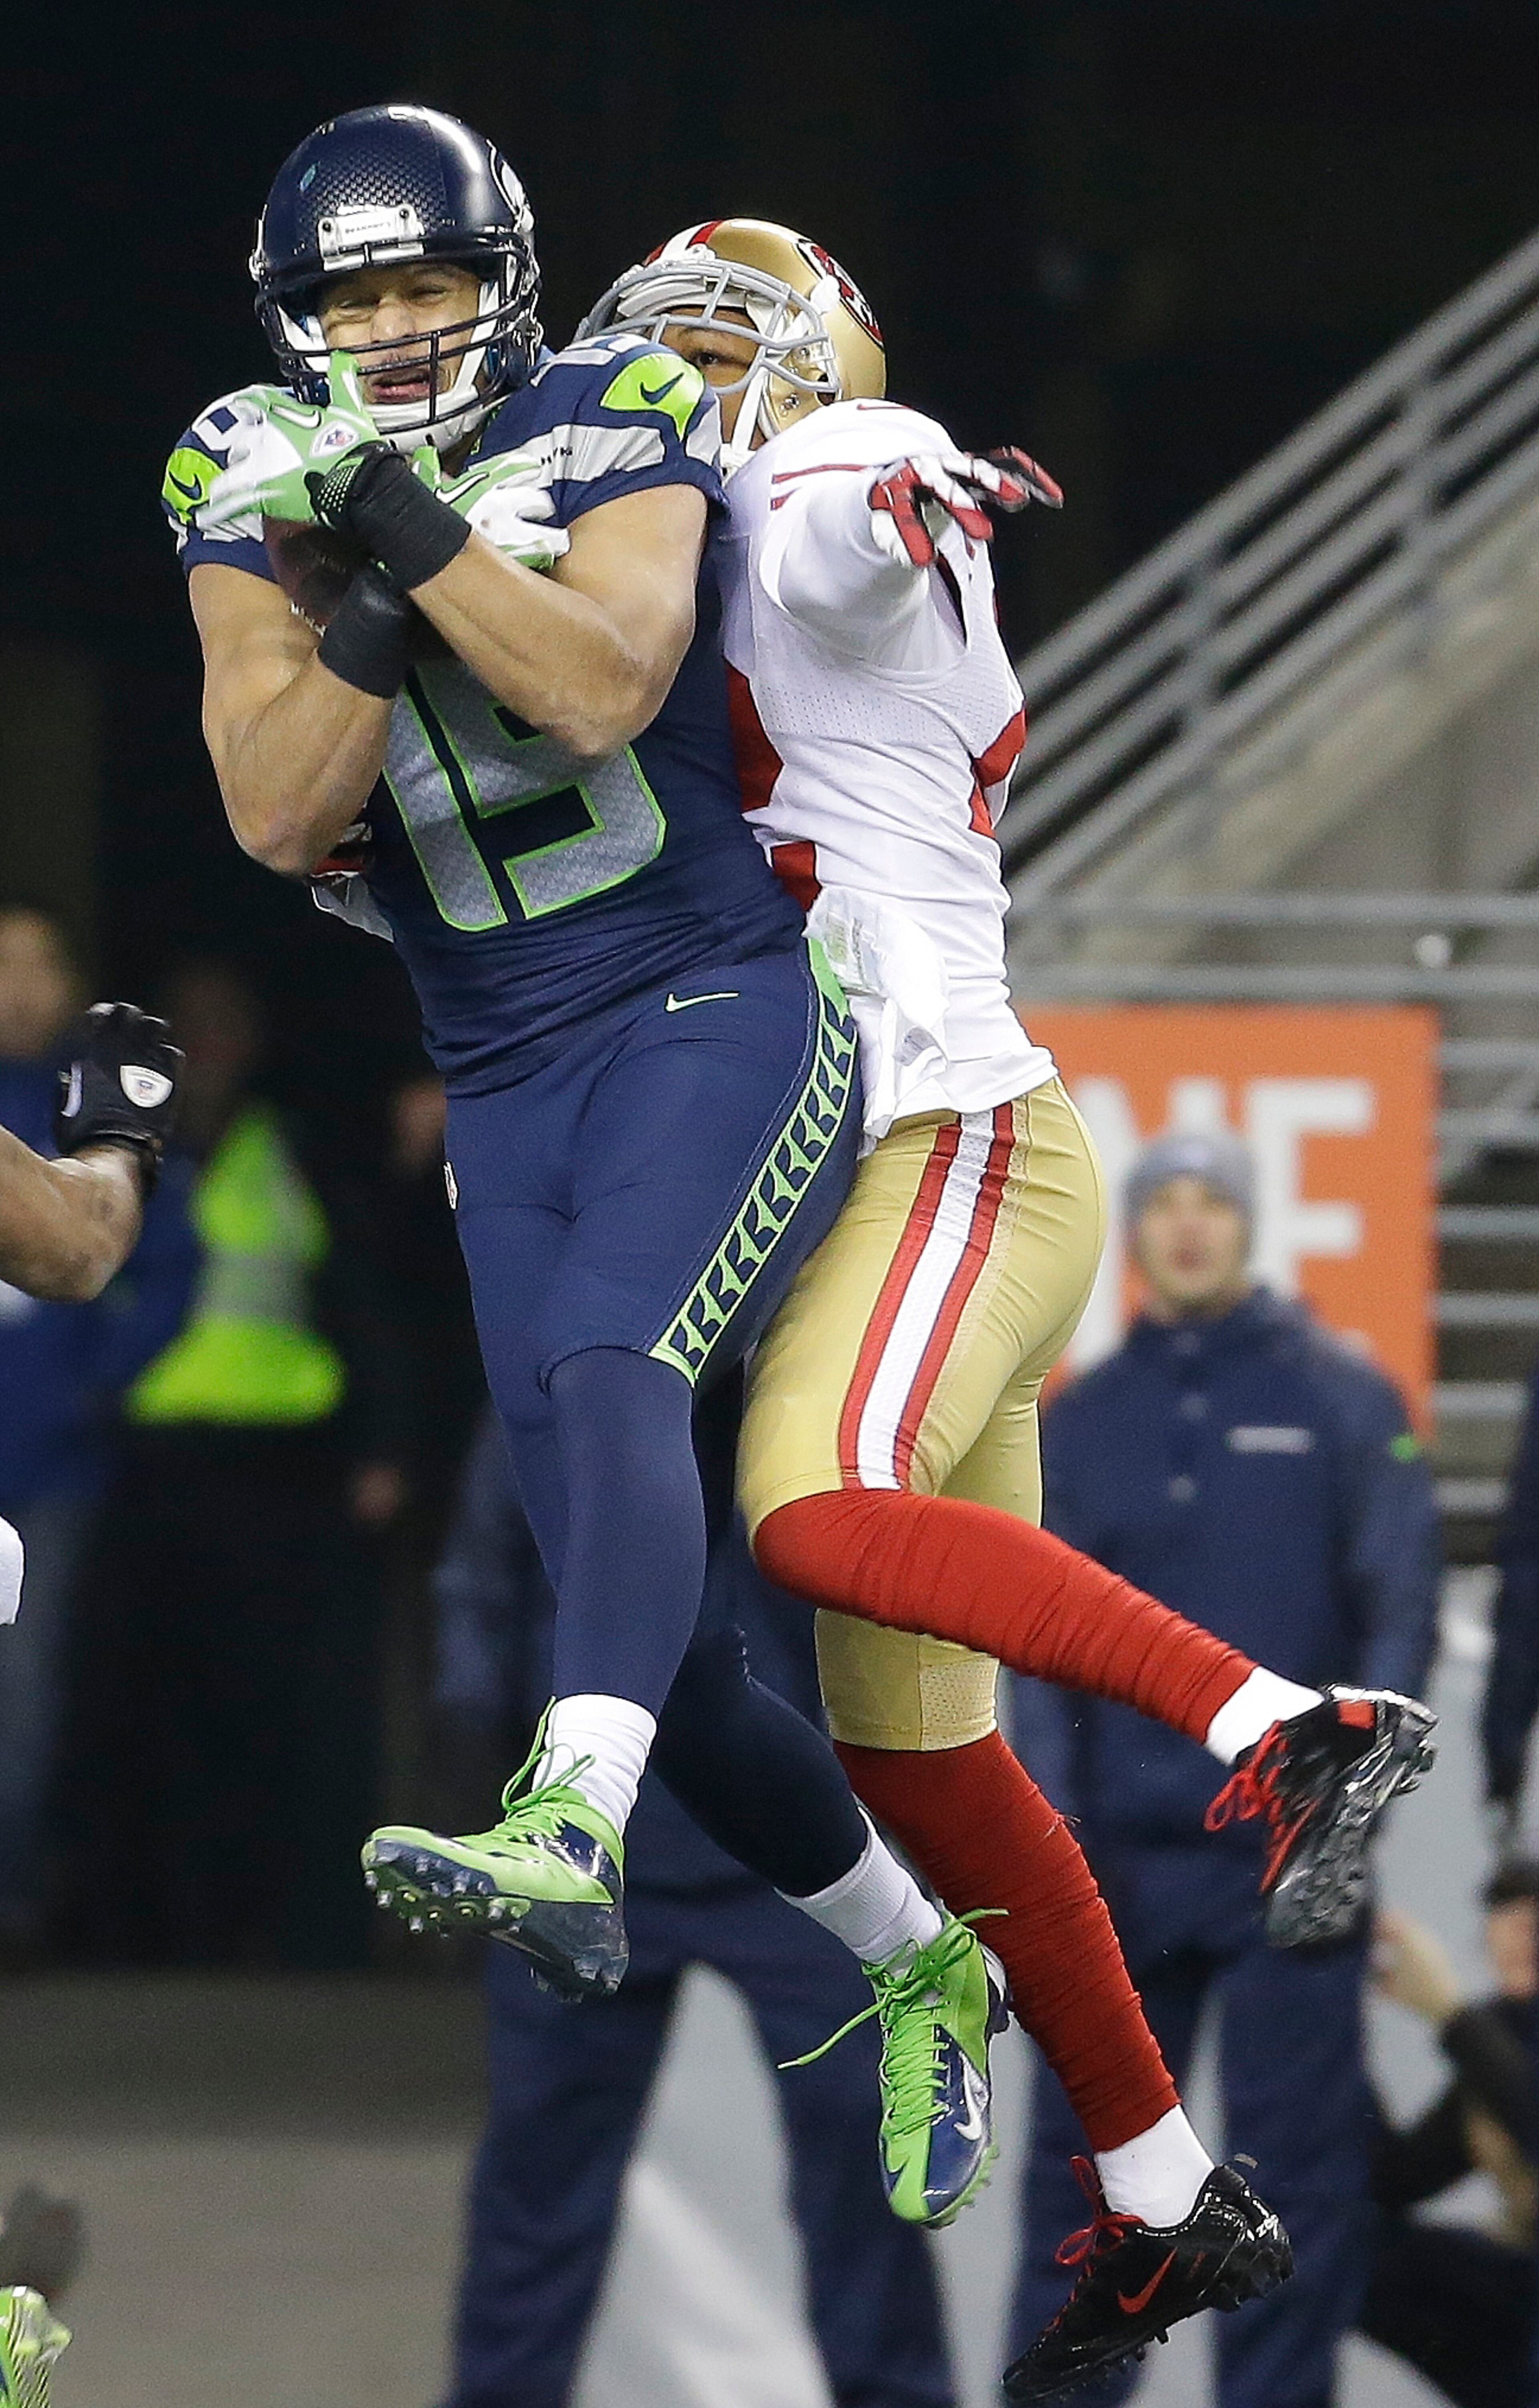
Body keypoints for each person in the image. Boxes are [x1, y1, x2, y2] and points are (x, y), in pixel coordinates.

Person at [578, 217, 1444, 2391]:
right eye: (652, 355)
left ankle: (1284, 1722)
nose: (673, 395)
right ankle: (1164, 2187)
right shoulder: (694, 525)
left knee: (803, 1501)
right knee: (912, 1748)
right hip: (899, 1146)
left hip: (941, 1135)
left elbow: (861, 522)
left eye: (709, 355)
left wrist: (909, 485)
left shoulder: (824, 467)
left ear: (803, 369)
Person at [166, 103, 1006, 2224]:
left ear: (504, 282)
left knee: (621, 1371)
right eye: (352, 301)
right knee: (679, 1643)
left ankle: (563, 1810)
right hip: (500, 1063)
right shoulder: (231, 464)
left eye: (427, 285)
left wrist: (408, 534)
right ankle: (924, 1961)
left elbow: (610, 680)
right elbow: (274, 807)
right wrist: (356, 602)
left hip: (710, 997)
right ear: (294, 320)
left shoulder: (617, 405)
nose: (393, 330)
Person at [1009, 1127, 1441, 2408]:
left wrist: (1345, 1821)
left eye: (1214, 1202)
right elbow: (1031, 1644)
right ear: (1131, 1232)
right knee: (1093, 2188)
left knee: (1297, 2184)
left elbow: (1400, 1612)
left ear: (1253, 1225)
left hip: (1285, 1869)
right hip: (1118, 1872)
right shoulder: (1079, 1420)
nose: (1190, 1224)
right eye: (1166, 1203)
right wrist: (1047, 1835)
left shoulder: (1345, 1401)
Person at [435, 1406, 954, 2408]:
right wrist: (466, 1737)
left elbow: (905, 1601)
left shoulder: (822, 1376)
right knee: (538, 2178)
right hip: (592, 1845)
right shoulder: (568, 1366)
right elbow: (480, 1568)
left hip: (802, 1847)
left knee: (866, 2165)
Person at [59, 960, 410, 1965]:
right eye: (186, 1030)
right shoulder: (112, 1152)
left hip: (274, 1468)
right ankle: (139, 1925)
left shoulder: (288, 1145)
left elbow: (360, 1294)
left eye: (224, 1028)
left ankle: (276, 1926)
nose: (205, 1050)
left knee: (271, 1705)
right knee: (140, 1703)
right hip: (143, 1461)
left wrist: (383, 1442)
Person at [1361, 1872, 1537, 2408]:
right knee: (1351, 2248)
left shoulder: (1482, 2040)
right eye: (1508, 1914)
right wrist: (1335, 2029)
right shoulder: (1502, 2036)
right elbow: (1394, 2181)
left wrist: (1451, 2015)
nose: (1523, 1930)